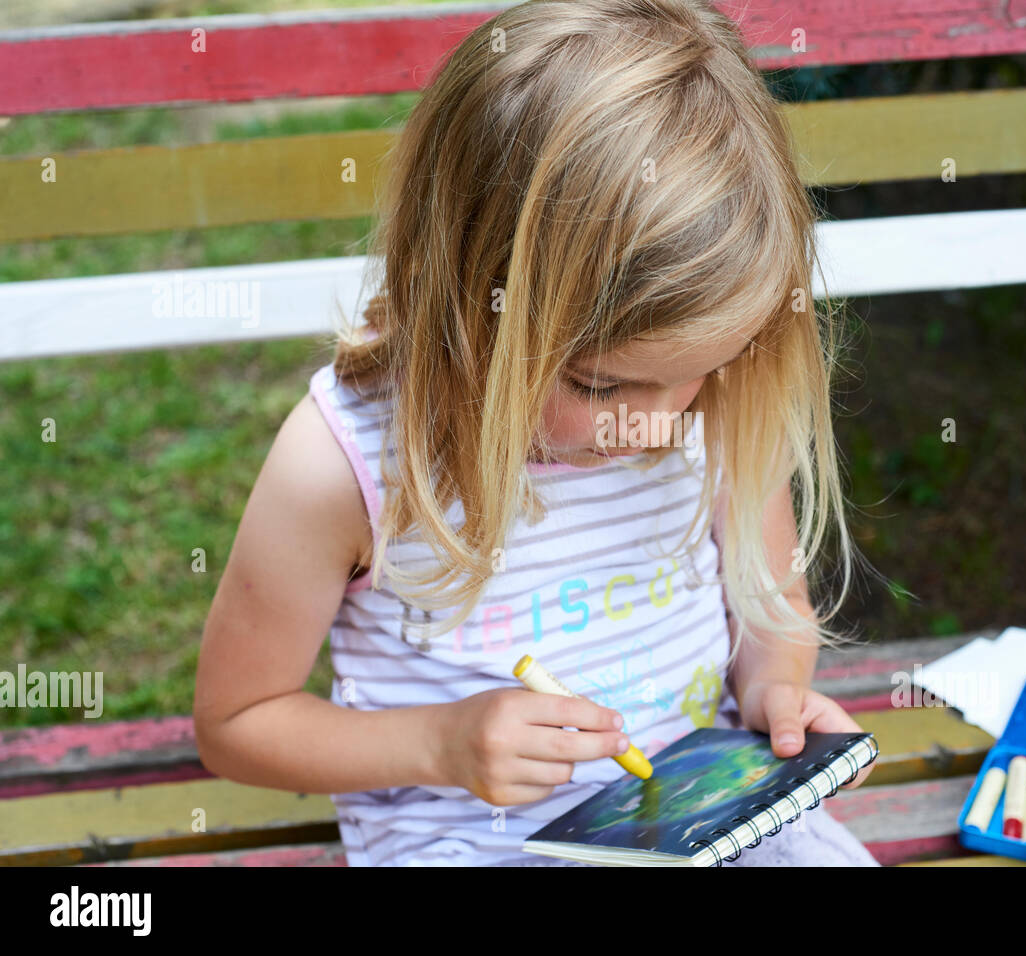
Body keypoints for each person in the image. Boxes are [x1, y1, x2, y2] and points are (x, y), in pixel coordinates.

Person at [195, 0, 880, 867]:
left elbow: (774, 612)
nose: (656, 420)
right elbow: (235, 724)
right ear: (470, 305)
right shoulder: (343, 465)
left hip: (703, 828)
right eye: (601, 384)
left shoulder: (717, 405)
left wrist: (778, 694)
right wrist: (442, 745)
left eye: (704, 369)